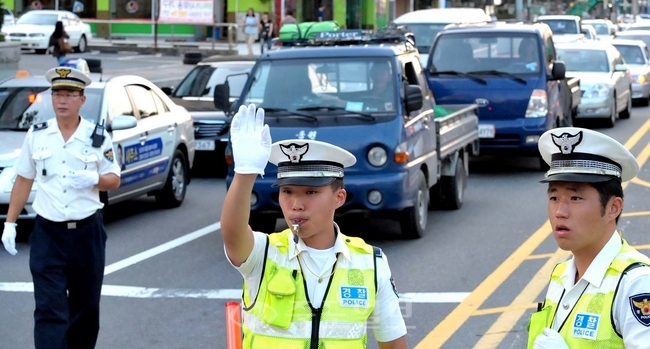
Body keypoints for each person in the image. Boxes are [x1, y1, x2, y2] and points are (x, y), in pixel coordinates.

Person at [221, 104, 408, 348]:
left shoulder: (370, 263)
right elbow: (233, 233)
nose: (296, 204)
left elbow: (394, 343)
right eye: (287, 191)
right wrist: (245, 173)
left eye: (311, 192)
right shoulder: (265, 254)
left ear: (338, 198)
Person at [1, 67, 121, 349]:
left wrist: (96, 179)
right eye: (57, 94)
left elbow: (114, 179)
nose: (62, 100)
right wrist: (10, 222)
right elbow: (23, 179)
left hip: (86, 234)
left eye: (69, 94)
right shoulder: (38, 134)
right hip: (48, 235)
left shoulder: (97, 137)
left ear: (82, 99)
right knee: (49, 310)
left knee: (85, 310)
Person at [528, 127, 650, 349]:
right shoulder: (562, 274)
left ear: (613, 207)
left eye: (575, 197)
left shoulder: (637, 285)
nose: (559, 211)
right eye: (554, 197)